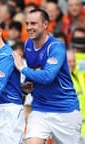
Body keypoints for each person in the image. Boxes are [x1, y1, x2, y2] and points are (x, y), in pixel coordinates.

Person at [13, 8, 82, 144]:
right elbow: (33, 73)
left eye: (33, 23)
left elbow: (47, 76)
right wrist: (26, 87)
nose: (29, 27)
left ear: (45, 24)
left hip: (64, 110)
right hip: (40, 108)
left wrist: (22, 68)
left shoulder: (56, 47)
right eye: (27, 24)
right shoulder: (28, 44)